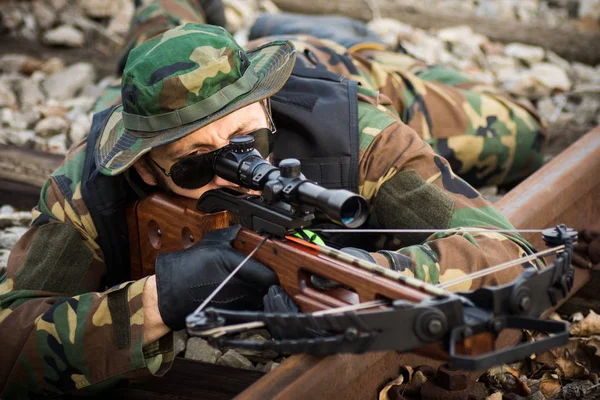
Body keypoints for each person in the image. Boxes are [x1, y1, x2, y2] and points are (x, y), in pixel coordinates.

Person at [0, 1, 544, 397]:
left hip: (339, 70)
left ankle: (340, 37)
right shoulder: (91, 180)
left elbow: (510, 253)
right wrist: (158, 301)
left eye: (246, 145)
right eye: (195, 165)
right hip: (175, 100)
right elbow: (9, 342)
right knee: (153, 53)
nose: (236, 175)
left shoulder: (357, 131)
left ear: (264, 112)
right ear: (144, 163)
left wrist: (360, 275)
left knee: (519, 134)